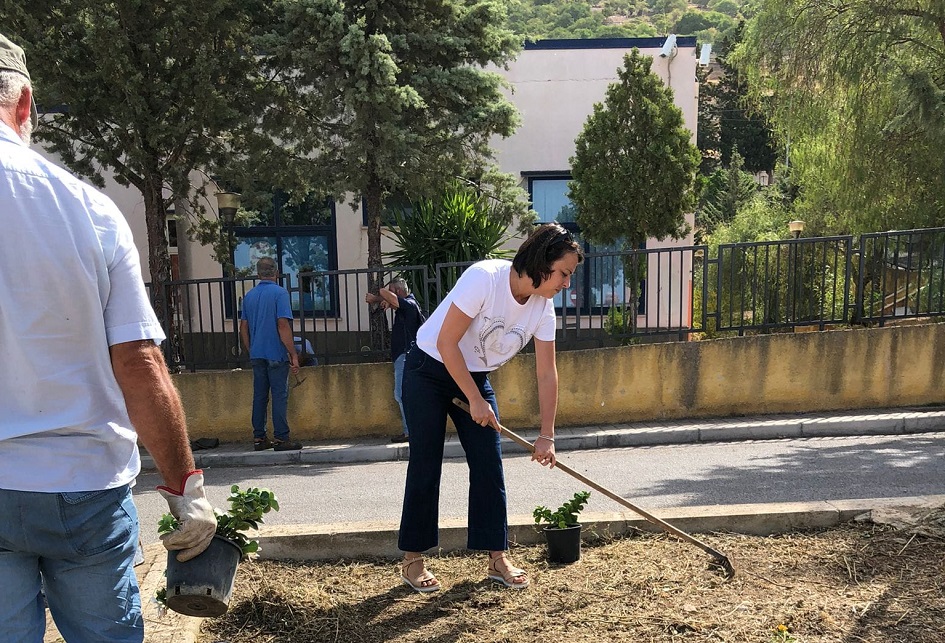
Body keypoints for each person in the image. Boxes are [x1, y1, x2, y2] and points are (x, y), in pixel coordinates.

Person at [0, 33, 216, 641]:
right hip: (83, 486)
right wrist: (186, 490)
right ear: (25, 104)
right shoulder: (86, 210)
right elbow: (139, 364)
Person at [397, 223, 584, 592]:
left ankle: (497, 557)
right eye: (564, 273)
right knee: (426, 460)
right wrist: (475, 399)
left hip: (474, 375)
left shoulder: (542, 309)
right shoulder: (485, 278)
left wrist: (547, 435)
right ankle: (412, 559)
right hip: (428, 369)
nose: (566, 284)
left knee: (488, 462)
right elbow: (447, 343)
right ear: (542, 262)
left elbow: (547, 373)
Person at [240, 257, 302, 451]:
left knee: (259, 396)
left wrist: (251, 349)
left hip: (257, 352)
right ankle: (281, 438)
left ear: (258, 274)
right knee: (279, 395)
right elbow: (282, 325)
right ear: (276, 273)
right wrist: (293, 354)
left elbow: (243, 327)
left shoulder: (249, 296)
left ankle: (259, 438)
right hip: (275, 352)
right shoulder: (280, 293)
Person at [364, 277, 424, 443]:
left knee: (401, 394)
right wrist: (388, 302)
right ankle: (411, 430)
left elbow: (383, 292)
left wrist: (378, 298)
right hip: (404, 356)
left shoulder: (409, 305)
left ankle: (410, 432)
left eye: (392, 292)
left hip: (405, 356)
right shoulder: (406, 306)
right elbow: (391, 299)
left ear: (397, 292)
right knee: (404, 394)